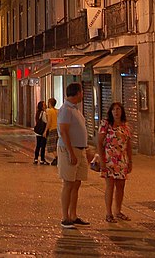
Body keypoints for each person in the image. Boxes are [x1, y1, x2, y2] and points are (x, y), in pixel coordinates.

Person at [57, 82, 90, 228]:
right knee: (68, 183)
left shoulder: (75, 109)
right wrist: (71, 152)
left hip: (79, 150)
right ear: (77, 93)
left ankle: (73, 214)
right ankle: (65, 217)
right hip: (69, 150)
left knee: (76, 183)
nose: (83, 94)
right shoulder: (66, 110)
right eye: (81, 92)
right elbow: (63, 131)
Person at [97, 102, 133, 223]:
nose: (116, 112)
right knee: (110, 186)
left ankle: (118, 210)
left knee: (121, 186)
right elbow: (99, 143)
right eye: (114, 110)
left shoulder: (126, 127)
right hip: (109, 159)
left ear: (122, 111)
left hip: (121, 159)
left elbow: (128, 145)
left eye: (118, 109)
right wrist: (102, 161)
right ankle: (109, 213)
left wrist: (130, 161)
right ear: (110, 112)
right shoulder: (106, 124)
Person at [46, 97, 59, 165]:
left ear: (50, 103)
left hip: (52, 129)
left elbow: (49, 122)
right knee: (55, 144)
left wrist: (45, 131)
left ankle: (57, 157)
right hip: (57, 129)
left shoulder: (49, 111)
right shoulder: (57, 111)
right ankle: (57, 157)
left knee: (50, 145)